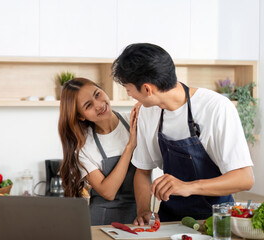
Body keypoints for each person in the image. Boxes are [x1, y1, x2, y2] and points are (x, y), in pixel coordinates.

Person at [111, 43, 255, 224]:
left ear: (147, 89)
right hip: (170, 221)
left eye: (128, 88)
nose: (129, 93)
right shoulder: (148, 112)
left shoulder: (216, 108)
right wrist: (143, 210)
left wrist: (188, 187)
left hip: (216, 221)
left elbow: (244, 178)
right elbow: (143, 170)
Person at [58, 78, 140, 225]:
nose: (98, 105)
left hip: (139, 216)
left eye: (97, 94)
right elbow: (108, 192)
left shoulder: (134, 120)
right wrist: (130, 147)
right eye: (88, 105)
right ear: (80, 116)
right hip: (103, 221)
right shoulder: (83, 146)